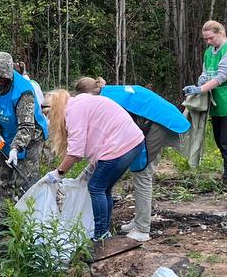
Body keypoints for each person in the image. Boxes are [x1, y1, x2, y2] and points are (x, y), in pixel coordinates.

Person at [74, 77, 191, 242]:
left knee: (142, 173)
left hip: (158, 122)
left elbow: (115, 140)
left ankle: (142, 229)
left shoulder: (106, 101)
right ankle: (140, 220)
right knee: (143, 171)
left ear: (89, 95)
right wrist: (89, 169)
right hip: (153, 120)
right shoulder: (108, 94)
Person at [42, 88, 146, 242]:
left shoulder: (73, 111)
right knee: (104, 188)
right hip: (132, 142)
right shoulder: (79, 103)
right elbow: (94, 138)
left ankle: (100, 235)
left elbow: (75, 153)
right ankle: (105, 232)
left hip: (120, 145)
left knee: (96, 187)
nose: (49, 119)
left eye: (48, 114)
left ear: (55, 107)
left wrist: (58, 173)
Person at [184, 21, 227, 187]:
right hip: (217, 103)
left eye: (210, 38)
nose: (208, 42)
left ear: (220, 33)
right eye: (205, 39)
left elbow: (222, 76)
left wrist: (200, 89)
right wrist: (201, 81)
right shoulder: (209, 52)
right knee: (220, 141)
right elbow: (206, 72)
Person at [0, 51, 49, 209]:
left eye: (2, 77)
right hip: (5, 135)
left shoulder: (23, 91)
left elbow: (27, 126)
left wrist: (16, 148)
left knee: (25, 180)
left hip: (31, 137)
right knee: (0, 177)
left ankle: (30, 219)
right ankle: (5, 218)